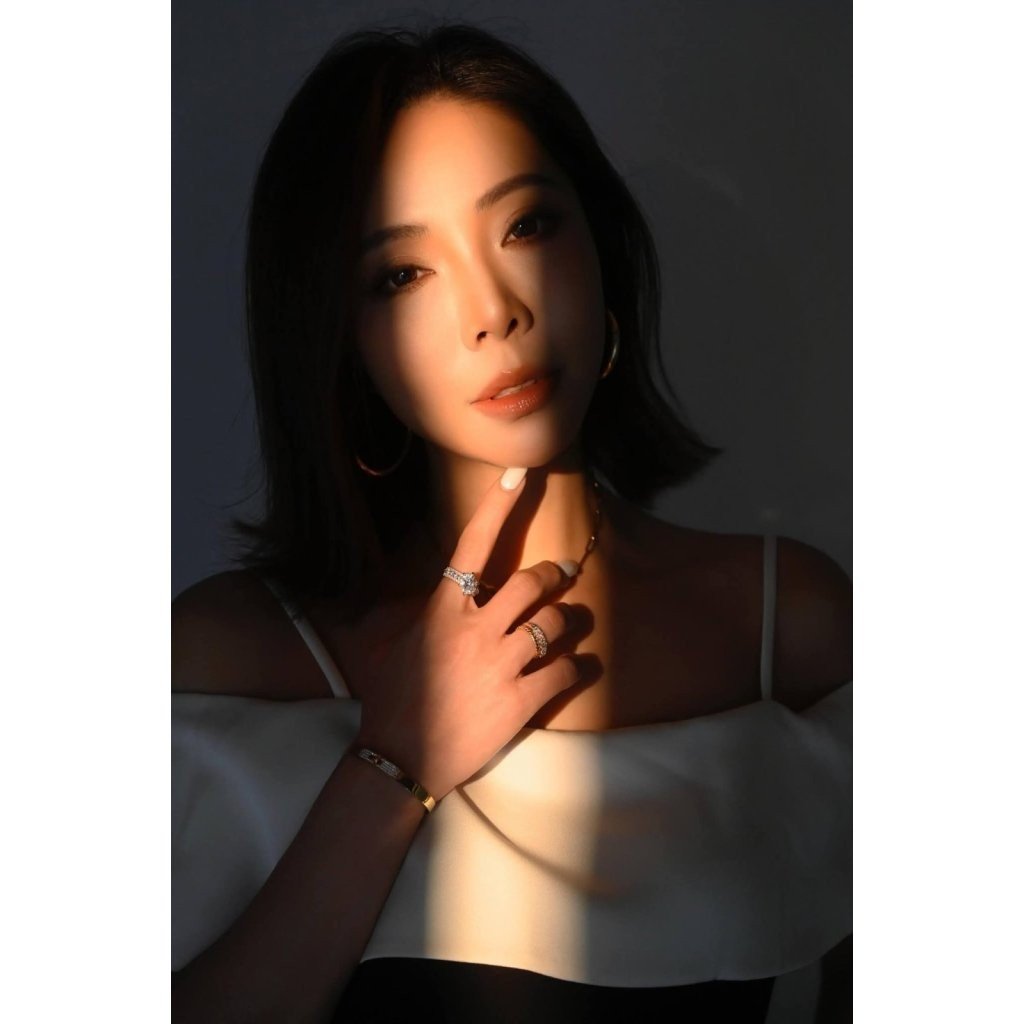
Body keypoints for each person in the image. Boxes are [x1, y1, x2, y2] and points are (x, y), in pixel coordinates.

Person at [171, 22, 852, 1023]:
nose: (492, 310)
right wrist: (396, 760)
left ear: (601, 249)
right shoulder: (230, 655)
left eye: (526, 225)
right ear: (339, 337)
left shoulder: (786, 620)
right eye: (401, 272)